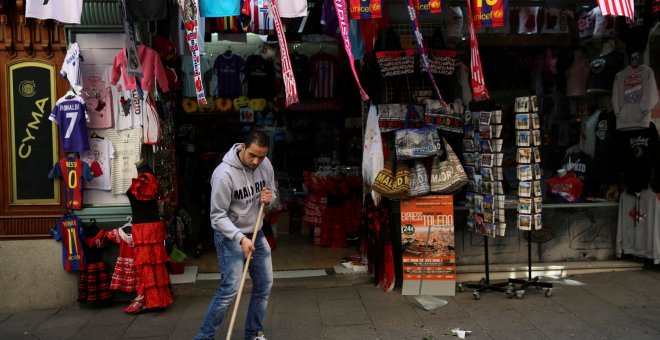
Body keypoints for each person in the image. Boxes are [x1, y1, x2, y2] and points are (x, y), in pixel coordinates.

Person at [195, 130, 275, 340]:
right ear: (243, 147)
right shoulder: (224, 175)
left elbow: (272, 194)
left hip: (256, 231)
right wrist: (240, 238)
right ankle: (204, 337)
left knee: (264, 284)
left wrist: (270, 198)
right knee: (230, 288)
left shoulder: (265, 165)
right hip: (230, 235)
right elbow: (217, 217)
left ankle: (253, 333)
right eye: (252, 155)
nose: (257, 161)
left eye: (262, 156)